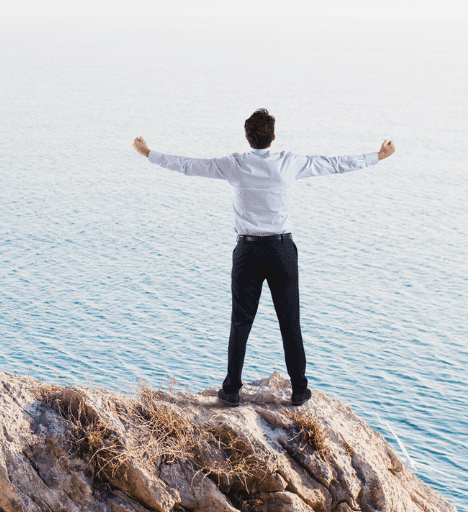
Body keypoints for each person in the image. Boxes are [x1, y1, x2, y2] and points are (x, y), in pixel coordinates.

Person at [132, 109, 395, 407]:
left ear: (247, 137)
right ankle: (298, 390)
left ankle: (231, 389)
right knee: (290, 322)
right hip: (282, 251)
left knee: (240, 322)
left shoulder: (234, 165)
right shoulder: (289, 163)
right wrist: (378, 155)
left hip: (248, 251)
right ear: (273, 137)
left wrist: (148, 153)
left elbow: (190, 166)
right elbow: (334, 164)